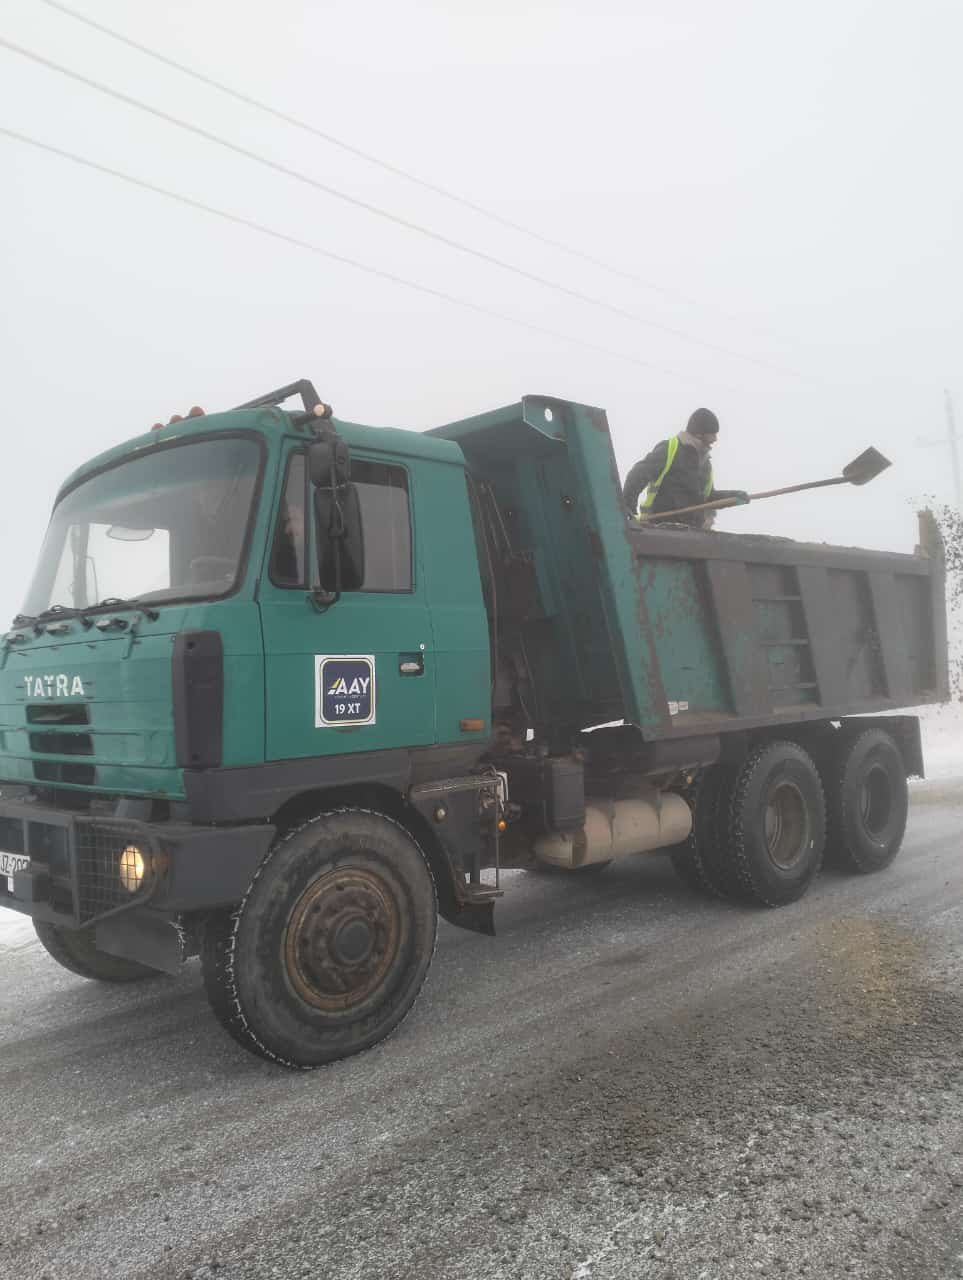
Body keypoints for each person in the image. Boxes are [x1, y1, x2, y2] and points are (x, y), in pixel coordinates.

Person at [622, 408, 749, 529]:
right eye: (712, 434)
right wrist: (628, 510)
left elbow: (708, 498)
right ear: (699, 434)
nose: (715, 439)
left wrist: (735, 497)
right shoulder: (670, 449)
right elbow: (637, 475)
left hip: (692, 535)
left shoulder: (705, 464)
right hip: (659, 530)